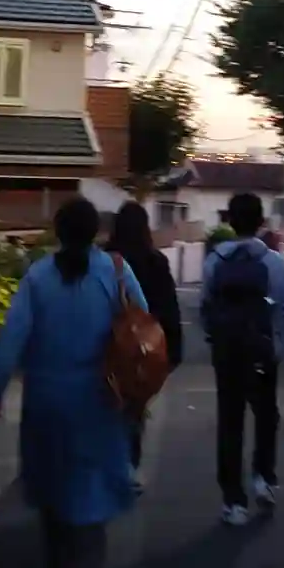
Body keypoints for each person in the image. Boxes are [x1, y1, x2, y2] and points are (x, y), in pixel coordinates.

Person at [0, 194, 148, 568]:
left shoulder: (39, 277)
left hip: (47, 396)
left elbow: (13, 337)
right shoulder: (115, 271)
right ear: (96, 232)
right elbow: (143, 326)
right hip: (100, 397)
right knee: (91, 486)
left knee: (52, 481)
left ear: (58, 231)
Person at [202, 191, 284, 527]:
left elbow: (205, 306)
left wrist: (214, 337)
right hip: (263, 352)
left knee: (230, 422)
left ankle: (233, 501)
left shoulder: (215, 260)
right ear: (261, 222)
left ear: (230, 221)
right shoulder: (274, 262)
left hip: (227, 353)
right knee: (265, 415)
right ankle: (263, 478)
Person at [110, 200, 184, 481]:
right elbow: (169, 309)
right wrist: (173, 351)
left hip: (110, 344)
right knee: (135, 405)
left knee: (109, 403)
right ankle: (130, 465)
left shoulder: (105, 260)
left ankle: (112, 464)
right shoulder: (156, 261)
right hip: (146, 347)